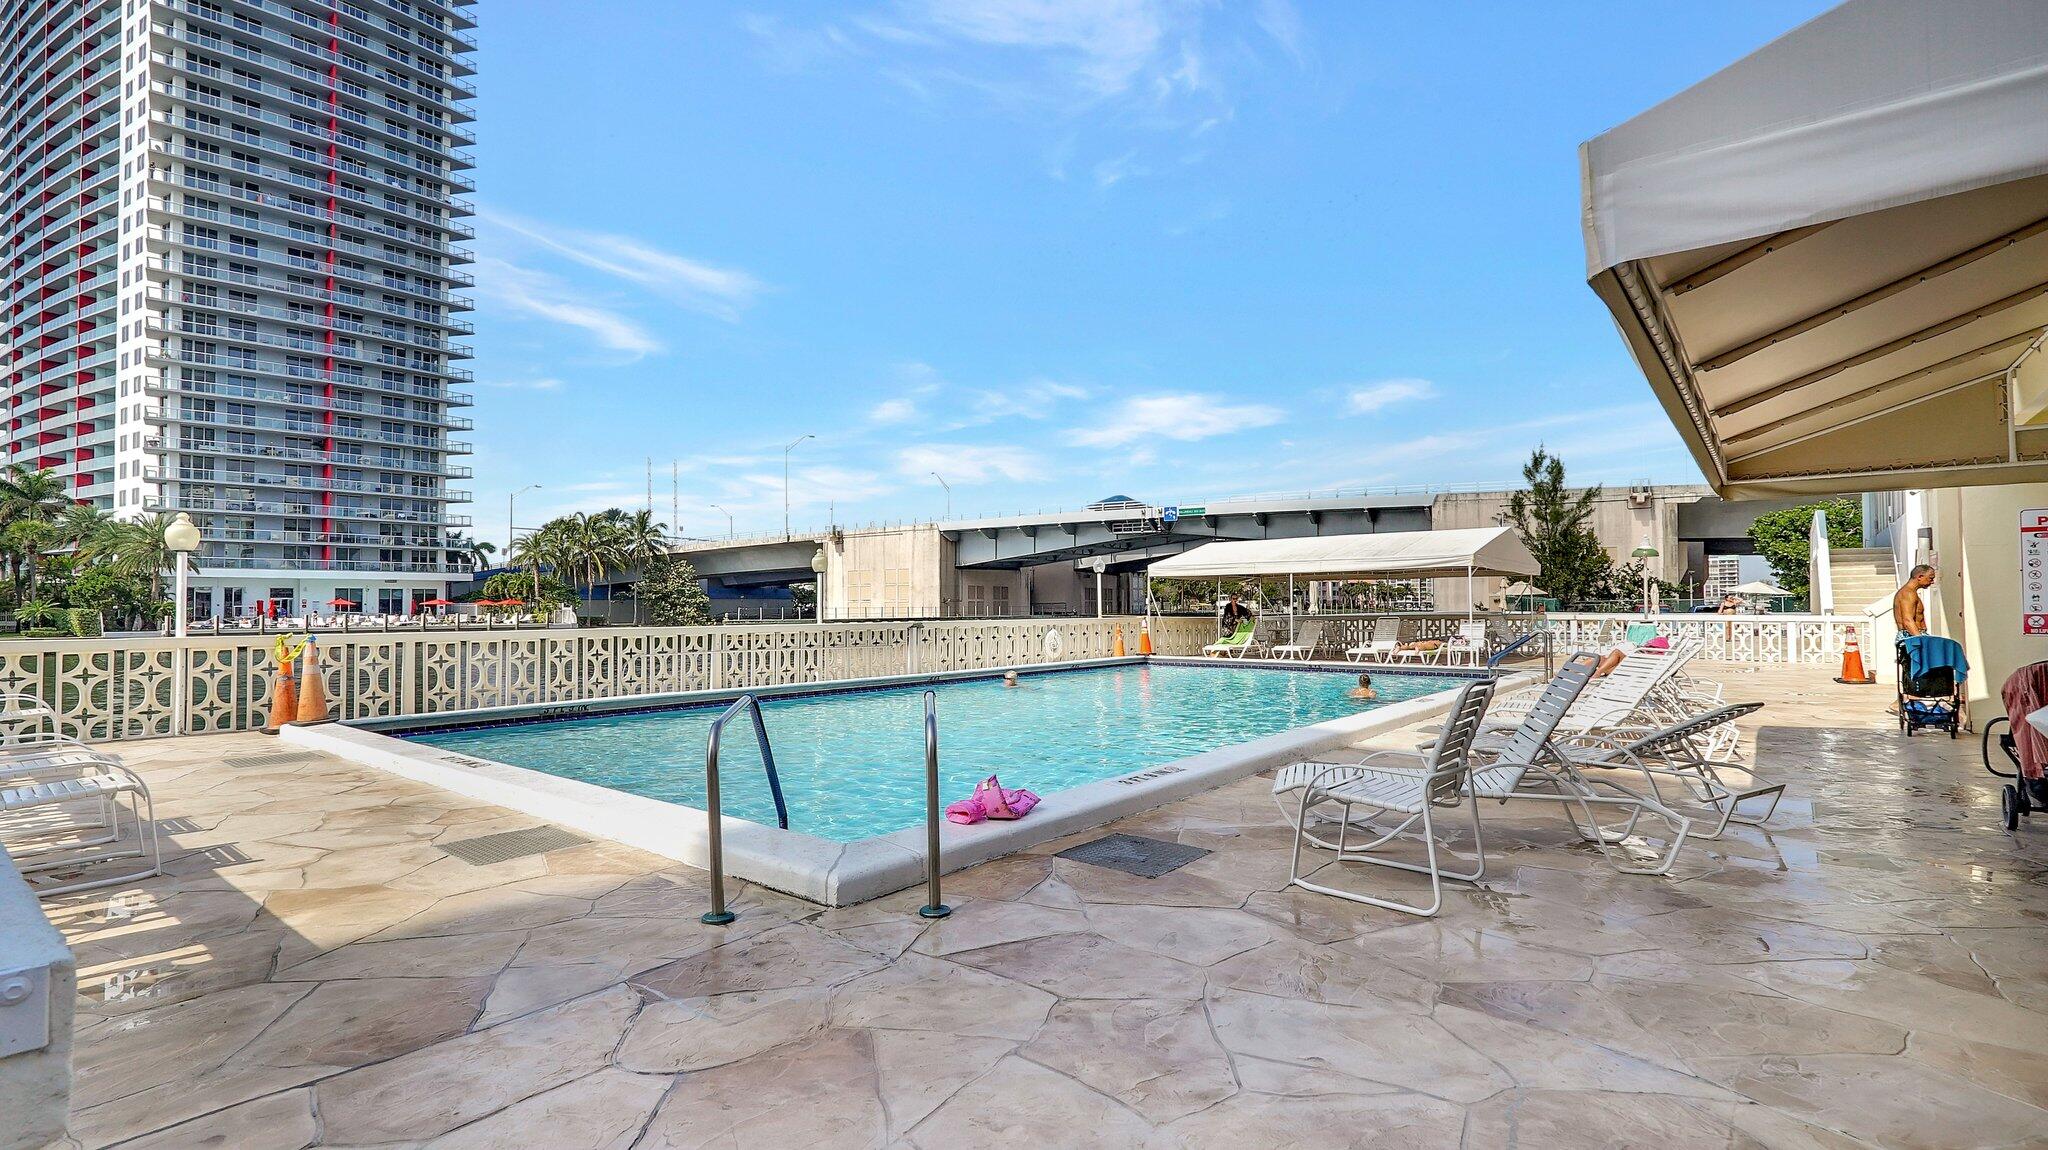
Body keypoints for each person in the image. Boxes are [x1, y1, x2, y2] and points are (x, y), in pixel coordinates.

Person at [1893, 564, 1936, 637]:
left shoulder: (1911, 592)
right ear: (1920, 577)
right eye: (1930, 578)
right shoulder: (1908, 593)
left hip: (1915, 635)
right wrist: (1920, 640)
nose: (1932, 582)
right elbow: (1907, 620)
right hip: (1912, 637)